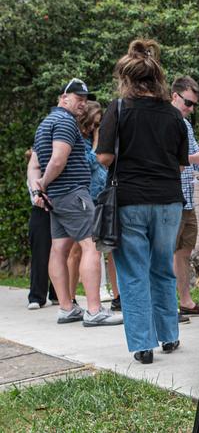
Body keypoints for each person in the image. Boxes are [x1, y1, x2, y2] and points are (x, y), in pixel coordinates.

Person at [97, 39, 188, 363]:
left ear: (127, 79)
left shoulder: (118, 109)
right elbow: (180, 163)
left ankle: (143, 344)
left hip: (130, 201)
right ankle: (170, 335)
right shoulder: (173, 115)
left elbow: (105, 157)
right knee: (162, 268)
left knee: (133, 272)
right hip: (168, 202)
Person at [28, 78, 122, 327]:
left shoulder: (45, 123)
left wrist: (38, 190)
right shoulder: (65, 122)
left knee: (59, 249)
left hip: (57, 198)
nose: (82, 104)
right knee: (92, 246)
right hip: (72, 194)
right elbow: (58, 160)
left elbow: (34, 164)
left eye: (84, 100)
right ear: (63, 97)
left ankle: (66, 308)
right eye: (78, 99)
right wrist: (43, 185)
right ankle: (94, 310)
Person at [170, 76, 199, 320]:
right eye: (188, 102)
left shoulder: (185, 124)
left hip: (187, 199)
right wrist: (195, 160)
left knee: (184, 252)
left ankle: (186, 302)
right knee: (166, 253)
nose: (190, 108)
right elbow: (165, 158)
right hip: (170, 199)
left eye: (194, 104)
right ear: (174, 96)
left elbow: (195, 159)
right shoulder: (166, 120)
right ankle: (167, 306)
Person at [67, 101, 120, 309]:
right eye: (94, 124)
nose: (95, 128)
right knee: (78, 249)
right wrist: (98, 140)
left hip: (103, 196)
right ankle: (71, 299)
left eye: (99, 124)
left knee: (111, 247)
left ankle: (117, 296)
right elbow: (89, 162)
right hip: (84, 198)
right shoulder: (79, 139)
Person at [25, 149, 58, 309]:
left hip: (59, 208)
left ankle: (57, 293)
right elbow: (34, 192)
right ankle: (37, 297)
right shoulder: (35, 167)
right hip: (40, 211)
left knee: (61, 253)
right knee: (40, 254)